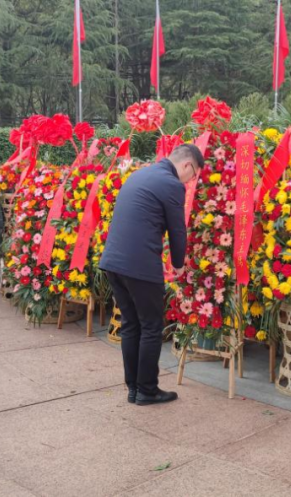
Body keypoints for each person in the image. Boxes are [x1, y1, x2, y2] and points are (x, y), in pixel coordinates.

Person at [98, 144, 203, 406]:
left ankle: (133, 388)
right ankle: (147, 390)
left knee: (131, 325)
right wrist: (179, 264)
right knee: (151, 326)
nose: (190, 181)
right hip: (140, 265)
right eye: (193, 175)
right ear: (187, 165)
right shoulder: (171, 184)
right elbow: (177, 230)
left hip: (114, 263)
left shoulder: (141, 174)